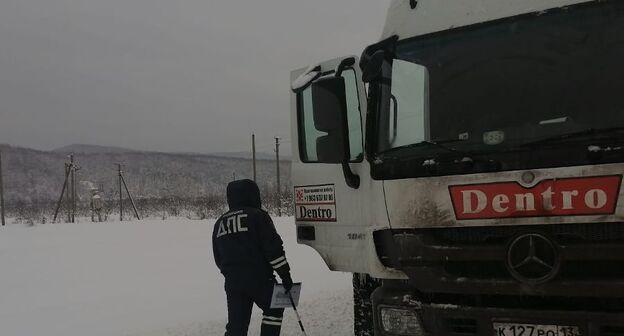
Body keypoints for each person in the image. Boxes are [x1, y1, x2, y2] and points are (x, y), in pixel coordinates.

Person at [212, 179, 294, 336]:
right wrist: (285, 275)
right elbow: (274, 249)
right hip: (259, 279)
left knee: (237, 326)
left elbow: (218, 256)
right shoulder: (258, 216)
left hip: (233, 282)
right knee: (274, 308)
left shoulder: (220, 222)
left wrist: (231, 273)